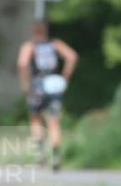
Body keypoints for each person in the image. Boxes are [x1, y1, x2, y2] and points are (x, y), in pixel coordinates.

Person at [17, 20, 78, 171]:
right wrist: (65, 78)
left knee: (36, 119)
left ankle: (40, 154)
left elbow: (22, 64)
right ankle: (56, 156)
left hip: (37, 86)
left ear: (33, 31)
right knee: (54, 122)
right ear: (46, 31)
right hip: (53, 85)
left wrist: (25, 84)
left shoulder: (30, 46)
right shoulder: (54, 43)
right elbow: (72, 56)